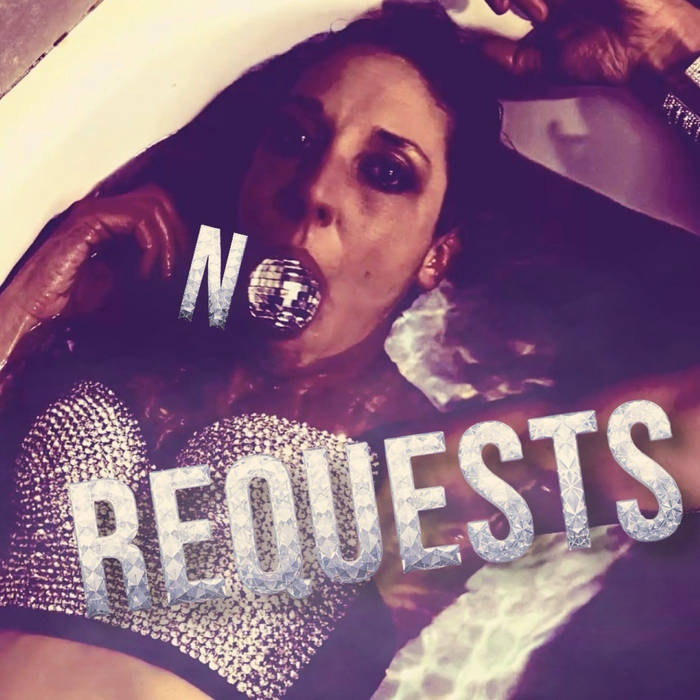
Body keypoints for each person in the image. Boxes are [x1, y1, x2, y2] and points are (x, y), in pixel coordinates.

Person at [0, 1, 699, 697]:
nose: (314, 190)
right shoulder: (114, 317)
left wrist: (677, 66)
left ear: (436, 255)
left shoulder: (416, 467)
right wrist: (27, 299)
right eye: (294, 139)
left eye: (386, 173)